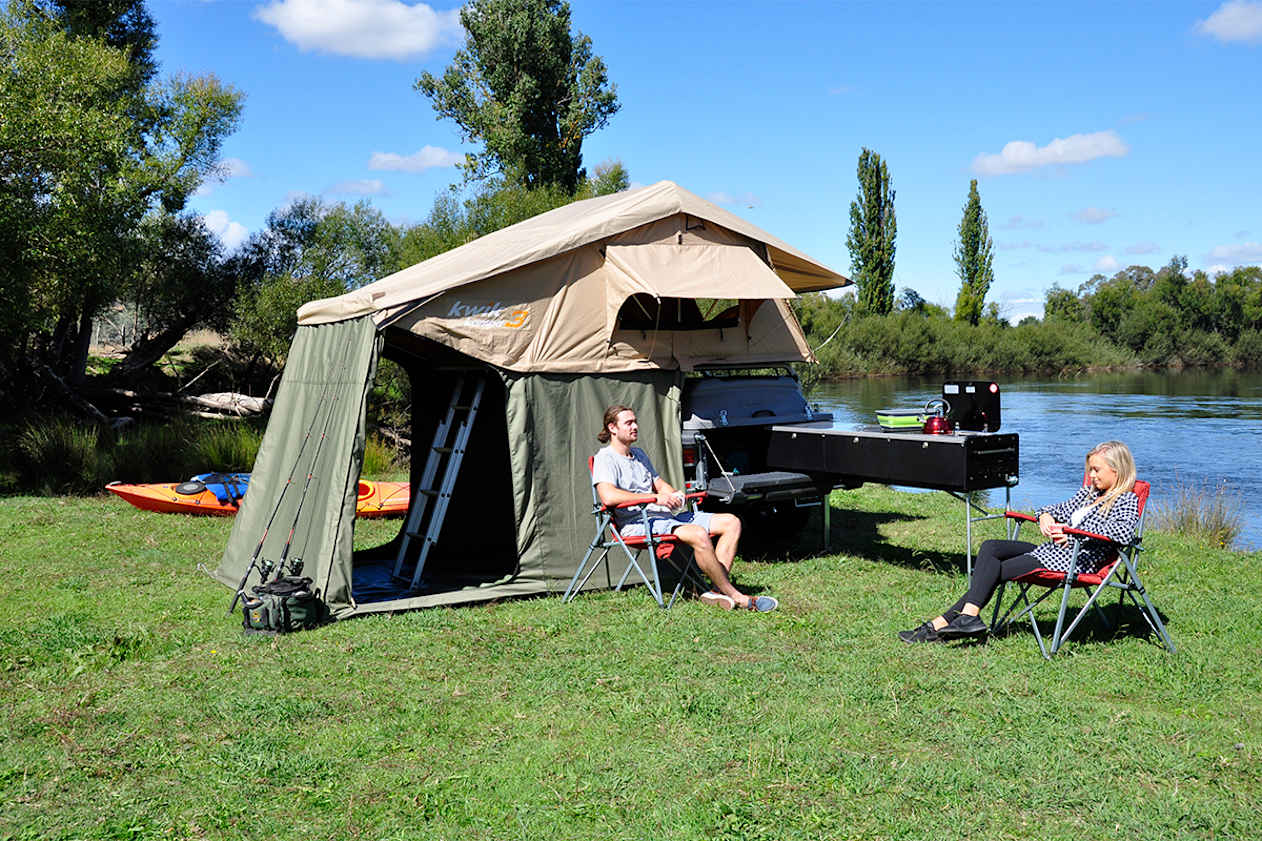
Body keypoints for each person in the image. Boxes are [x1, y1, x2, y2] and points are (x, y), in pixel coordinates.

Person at [899, 440, 1140, 643]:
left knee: (994, 571)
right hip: (1053, 553)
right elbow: (1055, 508)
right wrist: (1045, 516)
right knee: (991, 547)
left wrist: (1073, 532)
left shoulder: (1125, 500)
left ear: (1116, 471)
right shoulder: (1089, 494)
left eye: (1097, 470)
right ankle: (966, 618)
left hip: (1075, 562)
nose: (1091, 475)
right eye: (1090, 470)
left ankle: (938, 626)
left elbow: (1122, 533)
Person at [591, 404, 777, 612]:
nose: (635, 426)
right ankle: (737, 596)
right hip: (637, 523)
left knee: (731, 522)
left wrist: (673, 495)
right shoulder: (605, 458)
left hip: (664, 518)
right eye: (629, 423)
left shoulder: (639, 454)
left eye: (635, 421)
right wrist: (654, 498)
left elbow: (660, 484)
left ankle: (715, 591)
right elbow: (608, 496)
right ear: (612, 428)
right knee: (697, 534)